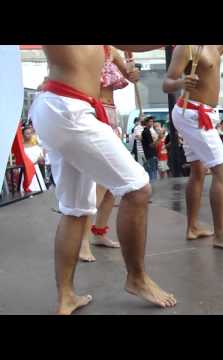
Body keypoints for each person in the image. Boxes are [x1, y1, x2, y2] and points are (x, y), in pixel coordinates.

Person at [29, 45, 176, 315]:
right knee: (137, 188)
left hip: (64, 108)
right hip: (68, 108)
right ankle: (137, 278)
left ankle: (66, 297)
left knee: (76, 210)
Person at [163, 45, 223, 251]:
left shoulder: (213, 47)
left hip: (202, 113)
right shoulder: (186, 48)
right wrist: (181, 82)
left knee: (199, 170)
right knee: (222, 169)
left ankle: (192, 227)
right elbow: (167, 84)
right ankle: (220, 235)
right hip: (193, 113)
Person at [79, 45, 136, 263]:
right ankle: (82, 240)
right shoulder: (84, 50)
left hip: (110, 115)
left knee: (112, 183)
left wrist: (134, 72)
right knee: (98, 184)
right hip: (92, 112)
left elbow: (132, 77)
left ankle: (99, 231)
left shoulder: (114, 52)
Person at [22, 126, 46, 192]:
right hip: (27, 170)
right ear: (23, 135)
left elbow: (42, 158)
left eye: (30, 133)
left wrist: (40, 159)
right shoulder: (22, 148)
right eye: (27, 133)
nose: (29, 135)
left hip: (36, 169)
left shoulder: (36, 146)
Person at [141, 116, 159, 182]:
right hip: (150, 155)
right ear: (146, 122)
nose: (152, 123)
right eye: (150, 121)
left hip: (151, 154)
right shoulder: (146, 131)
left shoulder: (148, 131)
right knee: (152, 173)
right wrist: (159, 138)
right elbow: (151, 145)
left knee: (153, 172)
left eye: (152, 121)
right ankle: (153, 188)